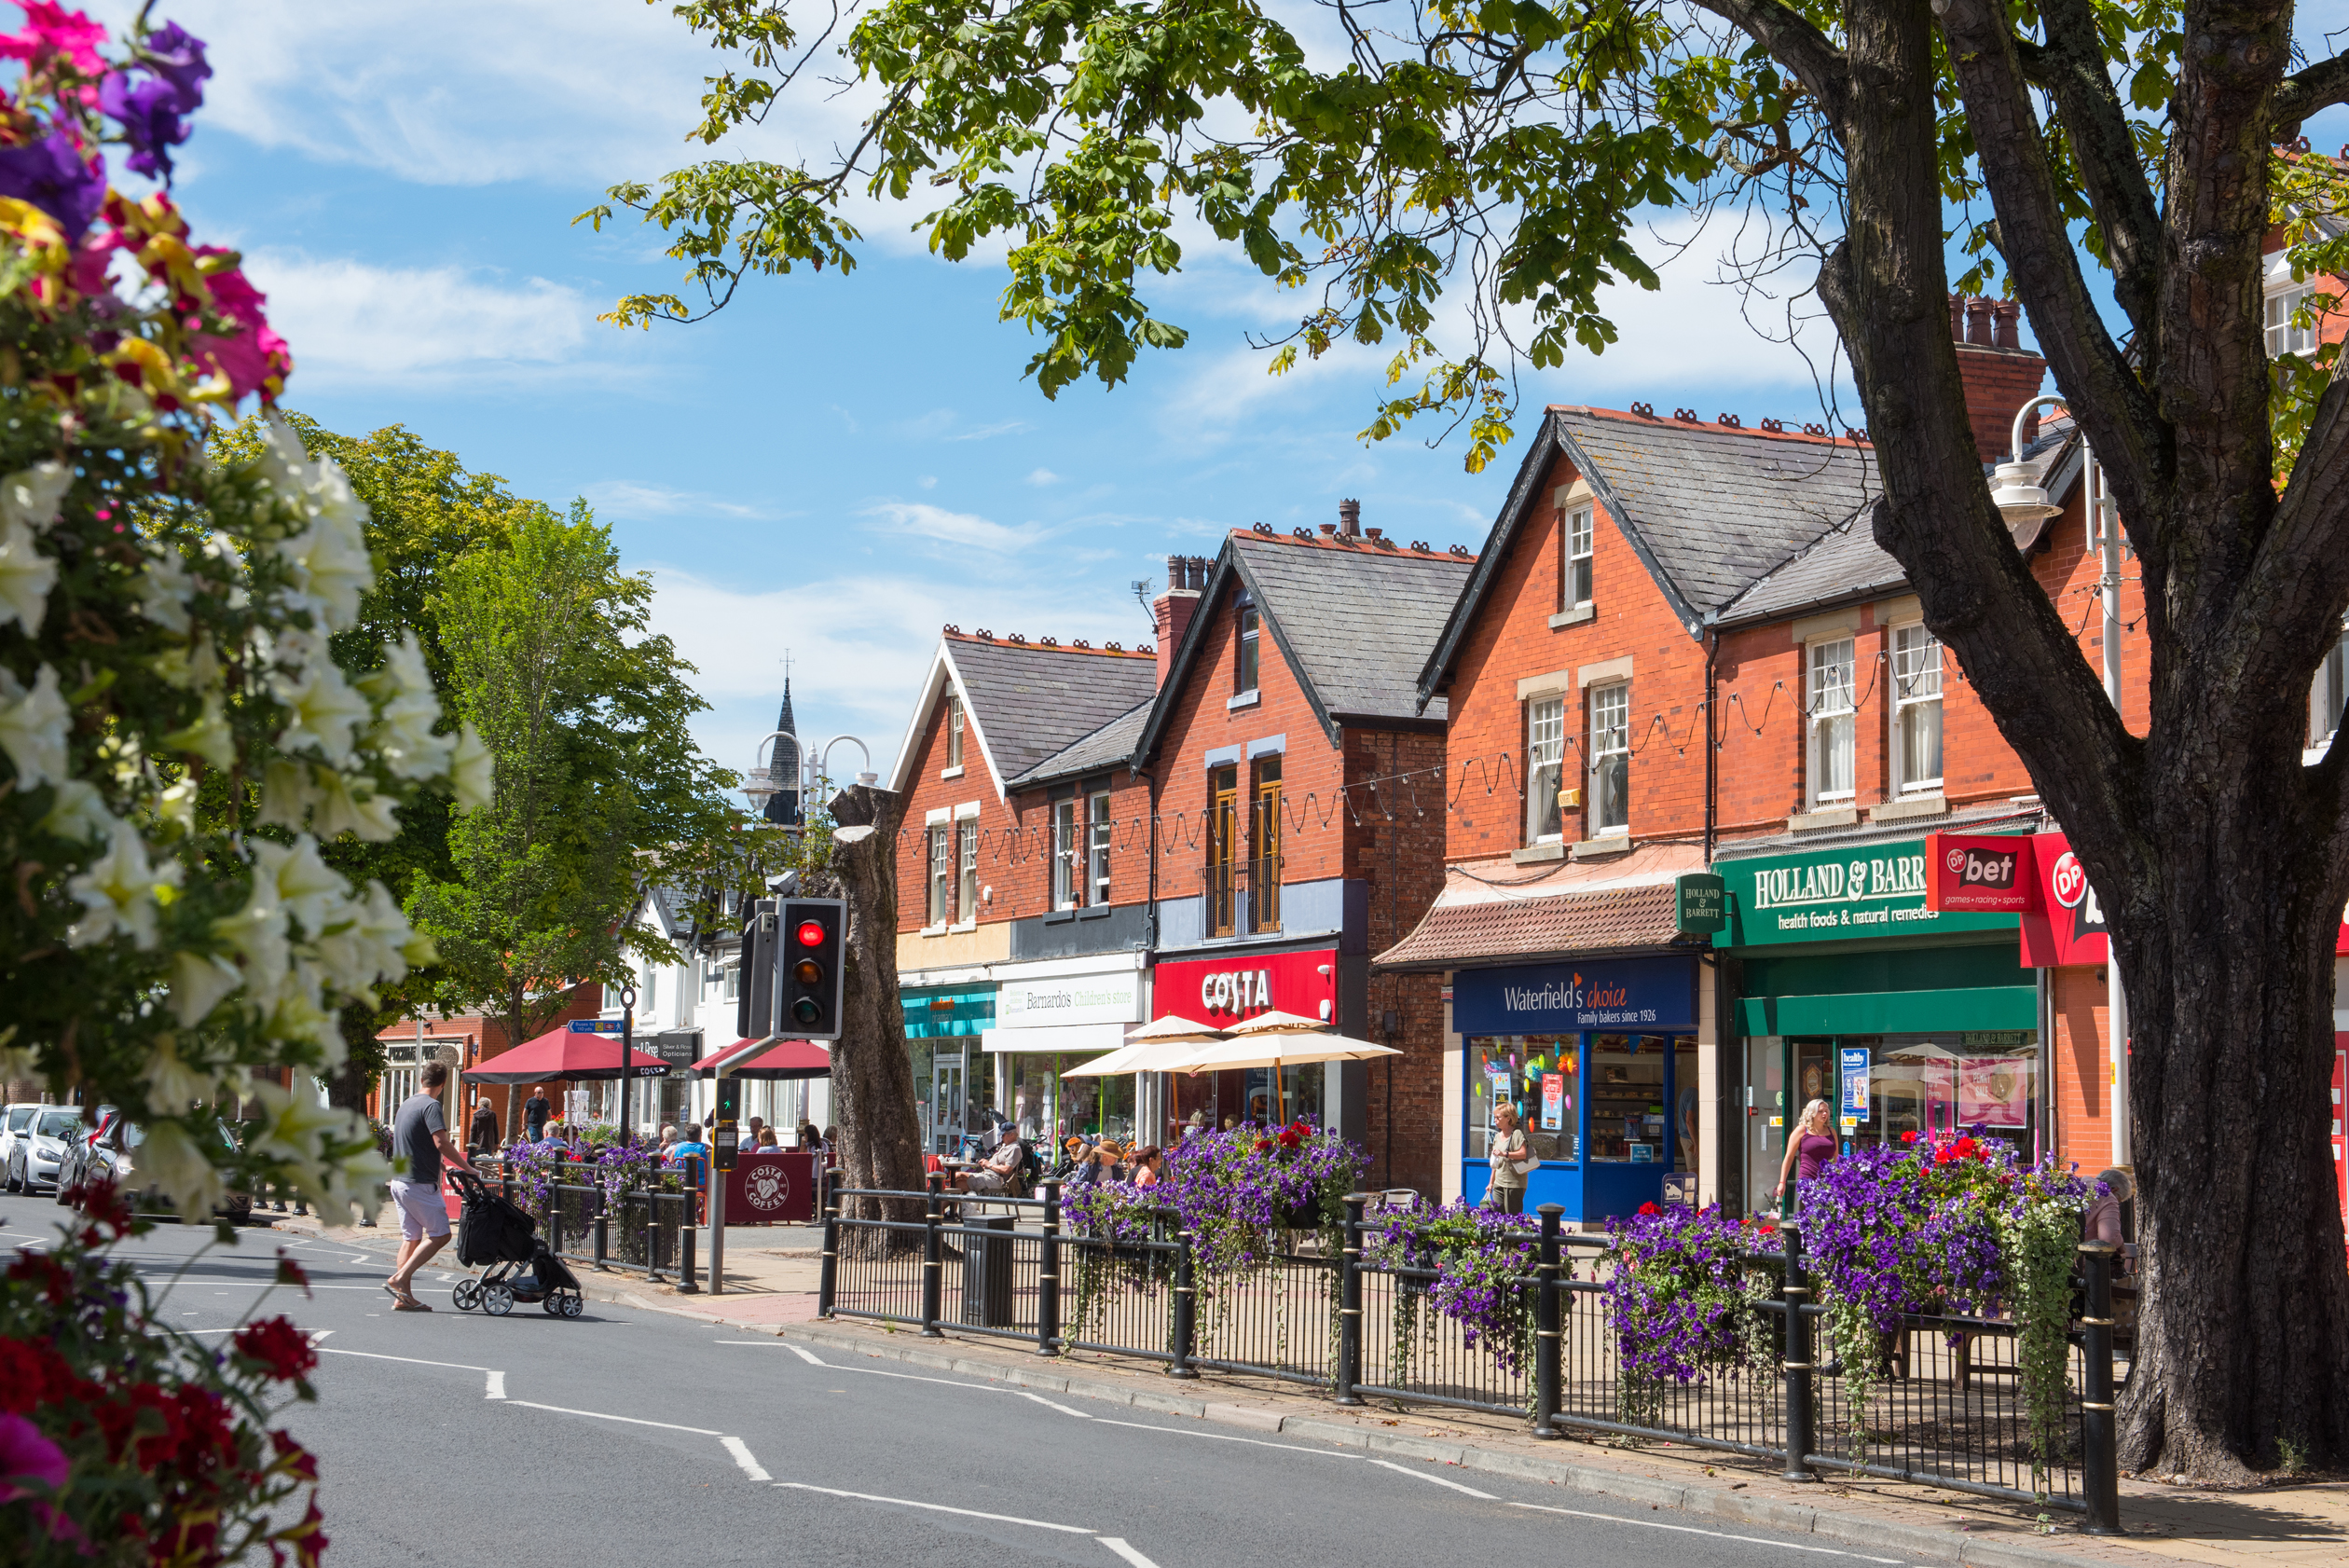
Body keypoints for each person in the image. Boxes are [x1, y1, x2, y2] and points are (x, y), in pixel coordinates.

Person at [384, 1063, 477, 1311]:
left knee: (411, 1238)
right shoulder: (432, 1106)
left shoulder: (407, 1103)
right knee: (441, 1235)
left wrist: (439, 1167)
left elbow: (413, 1141)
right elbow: (441, 1142)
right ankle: (400, 1278)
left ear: (422, 1078)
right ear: (443, 1084)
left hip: (399, 1181)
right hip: (419, 1184)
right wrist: (468, 1168)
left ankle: (402, 1298)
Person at [1773, 1098, 1837, 1216]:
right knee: (1813, 1215)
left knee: (1828, 1216)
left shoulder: (1831, 1132)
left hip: (1828, 1181)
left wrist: (1839, 1180)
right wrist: (1782, 1182)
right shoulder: (1802, 1130)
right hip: (1808, 1180)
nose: (1825, 1114)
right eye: (1821, 1111)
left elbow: (1836, 1158)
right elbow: (1789, 1157)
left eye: (1826, 1111)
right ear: (1812, 1113)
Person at [1483, 1101, 1532, 1214]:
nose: (1495, 1120)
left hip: (1514, 1183)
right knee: (1497, 1214)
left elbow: (1523, 1154)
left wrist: (1505, 1154)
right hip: (1499, 1182)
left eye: (1498, 1118)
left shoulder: (1517, 1134)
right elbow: (1496, 1163)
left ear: (1508, 1118)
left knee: (1512, 1216)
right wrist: (1491, 1182)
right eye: (1494, 1117)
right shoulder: (1497, 1136)